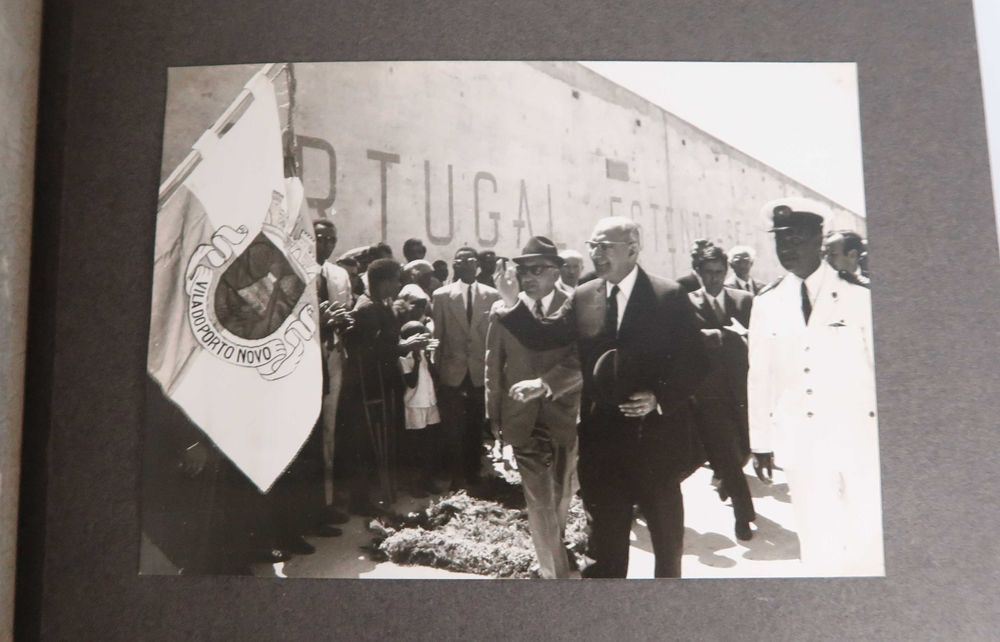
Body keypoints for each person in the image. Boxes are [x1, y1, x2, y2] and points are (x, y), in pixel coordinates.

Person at [494, 217, 709, 578]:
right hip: (601, 445)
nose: (596, 254)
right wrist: (511, 301)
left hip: (655, 442)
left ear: (633, 250)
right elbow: (544, 336)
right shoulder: (583, 295)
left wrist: (659, 396)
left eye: (605, 246)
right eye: (593, 246)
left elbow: (698, 361)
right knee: (603, 551)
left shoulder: (668, 296)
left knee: (666, 547)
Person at [747, 198, 883, 576]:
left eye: (796, 238)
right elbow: (759, 376)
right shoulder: (768, 302)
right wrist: (761, 442)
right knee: (818, 541)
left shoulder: (859, 295)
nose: (787, 248)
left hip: (858, 435)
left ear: (819, 239)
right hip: (801, 441)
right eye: (780, 240)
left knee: (868, 537)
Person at [484, 236, 583, 578]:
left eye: (537, 270)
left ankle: (556, 548)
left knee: (561, 495)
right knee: (540, 501)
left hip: (564, 416)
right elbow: (493, 365)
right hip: (520, 418)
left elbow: (580, 362)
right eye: (523, 270)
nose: (528, 277)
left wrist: (547, 385)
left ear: (556, 271)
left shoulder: (575, 308)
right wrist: (493, 415)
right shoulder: (503, 310)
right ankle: (553, 575)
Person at [339, 259, 432, 514]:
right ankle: (361, 501)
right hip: (369, 388)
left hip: (381, 384)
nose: (399, 285)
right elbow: (369, 351)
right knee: (366, 443)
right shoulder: (367, 308)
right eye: (396, 280)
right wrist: (405, 346)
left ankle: (377, 494)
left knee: (377, 442)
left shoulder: (380, 303)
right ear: (384, 281)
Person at [688, 243, 756, 541]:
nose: (714, 278)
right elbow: (684, 340)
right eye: (708, 272)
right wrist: (719, 335)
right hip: (709, 393)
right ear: (698, 272)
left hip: (744, 389)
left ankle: (728, 481)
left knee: (744, 449)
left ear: (726, 271)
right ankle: (743, 516)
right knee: (727, 453)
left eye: (719, 272)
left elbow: (760, 338)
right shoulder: (686, 303)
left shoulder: (745, 300)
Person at [431, 247, 500, 488]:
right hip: (452, 370)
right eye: (460, 260)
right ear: (454, 265)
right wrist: (438, 372)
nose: (465, 264)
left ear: (477, 265)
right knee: (452, 425)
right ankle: (456, 474)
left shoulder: (491, 295)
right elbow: (437, 337)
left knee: (475, 423)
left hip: (479, 371)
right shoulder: (442, 296)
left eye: (470, 260)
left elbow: (494, 337)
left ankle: (473, 472)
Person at [314, 220, 354, 518]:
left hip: (333, 356)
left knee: (330, 428)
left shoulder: (339, 275)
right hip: (306, 358)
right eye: (320, 238)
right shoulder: (295, 270)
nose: (326, 244)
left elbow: (346, 309)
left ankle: (327, 502)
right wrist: (320, 323)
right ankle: (310, 507)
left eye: (331, 239)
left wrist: (345, 323)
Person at [399, 320, 443, 497]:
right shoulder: (405, 358)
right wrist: (417, 360)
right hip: (415, 405)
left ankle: (427, 480)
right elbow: (411, 383)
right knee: (416, 446)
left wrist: (427, 356)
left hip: (429, 402)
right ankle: (415, 484)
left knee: (429, 444)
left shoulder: (425, 354)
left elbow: (434, 375)